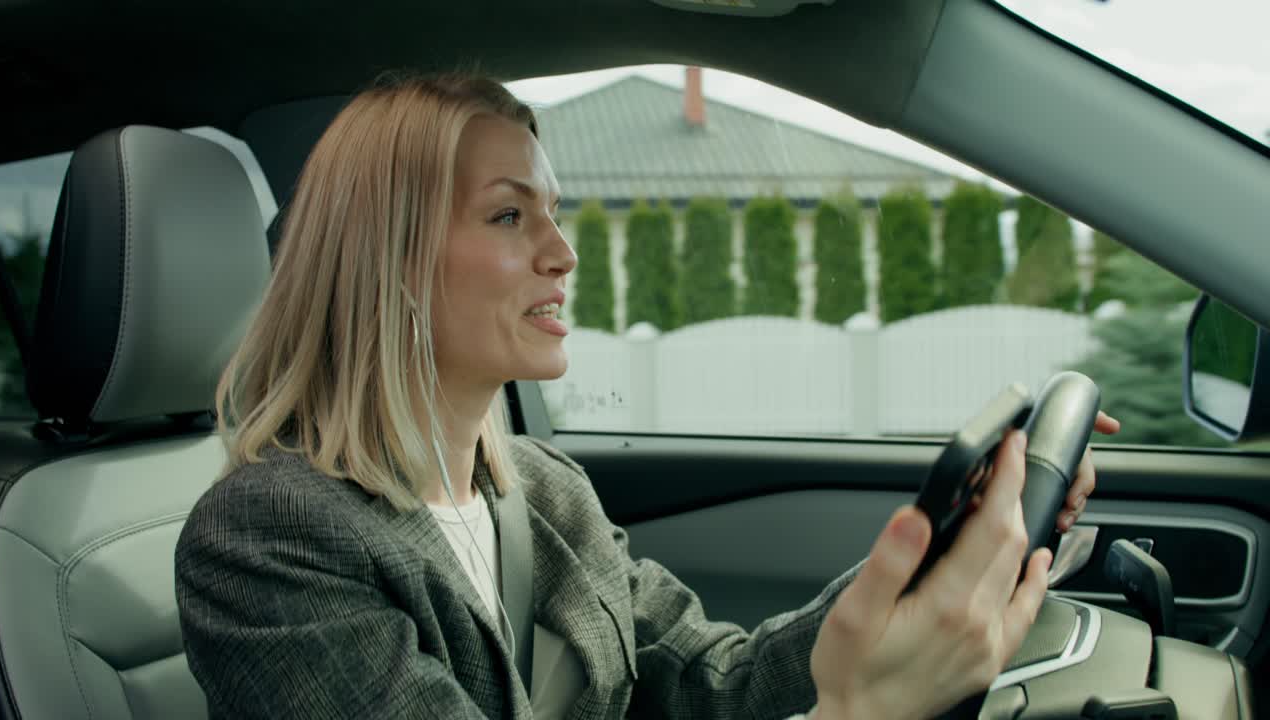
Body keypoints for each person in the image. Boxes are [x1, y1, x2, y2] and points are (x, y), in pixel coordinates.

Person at [174, 72, 1118, 720]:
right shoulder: (267, 540)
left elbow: (719, 684)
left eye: (553, 210)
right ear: (389, 261)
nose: (563, 251)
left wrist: (942, 553)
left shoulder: (543, 494)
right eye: (510, 215)